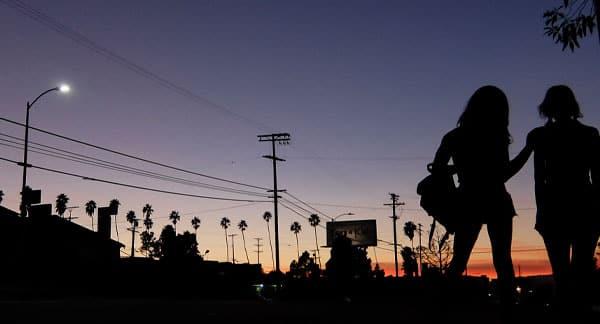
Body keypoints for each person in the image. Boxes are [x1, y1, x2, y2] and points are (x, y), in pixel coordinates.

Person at [432, 85, 523, 307]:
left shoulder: (453, 136)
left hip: (467, 200)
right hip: (496, 200)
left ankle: (442, 308)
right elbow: (503, 174)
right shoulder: (497, 137)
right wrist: (527, 151)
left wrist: (457, 173)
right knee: (503, 260)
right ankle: (509, 312)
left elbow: (437, 170)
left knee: (459, 260)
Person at [520, 85, 600, 313]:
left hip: (556, 206)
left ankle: (565, 311)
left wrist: (541, 211)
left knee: (562, 271)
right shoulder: (589, 134)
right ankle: (576, 310)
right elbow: (598, 177)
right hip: (584, 205)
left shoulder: (539, 136)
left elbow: (539, 180)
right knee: (580, 270)